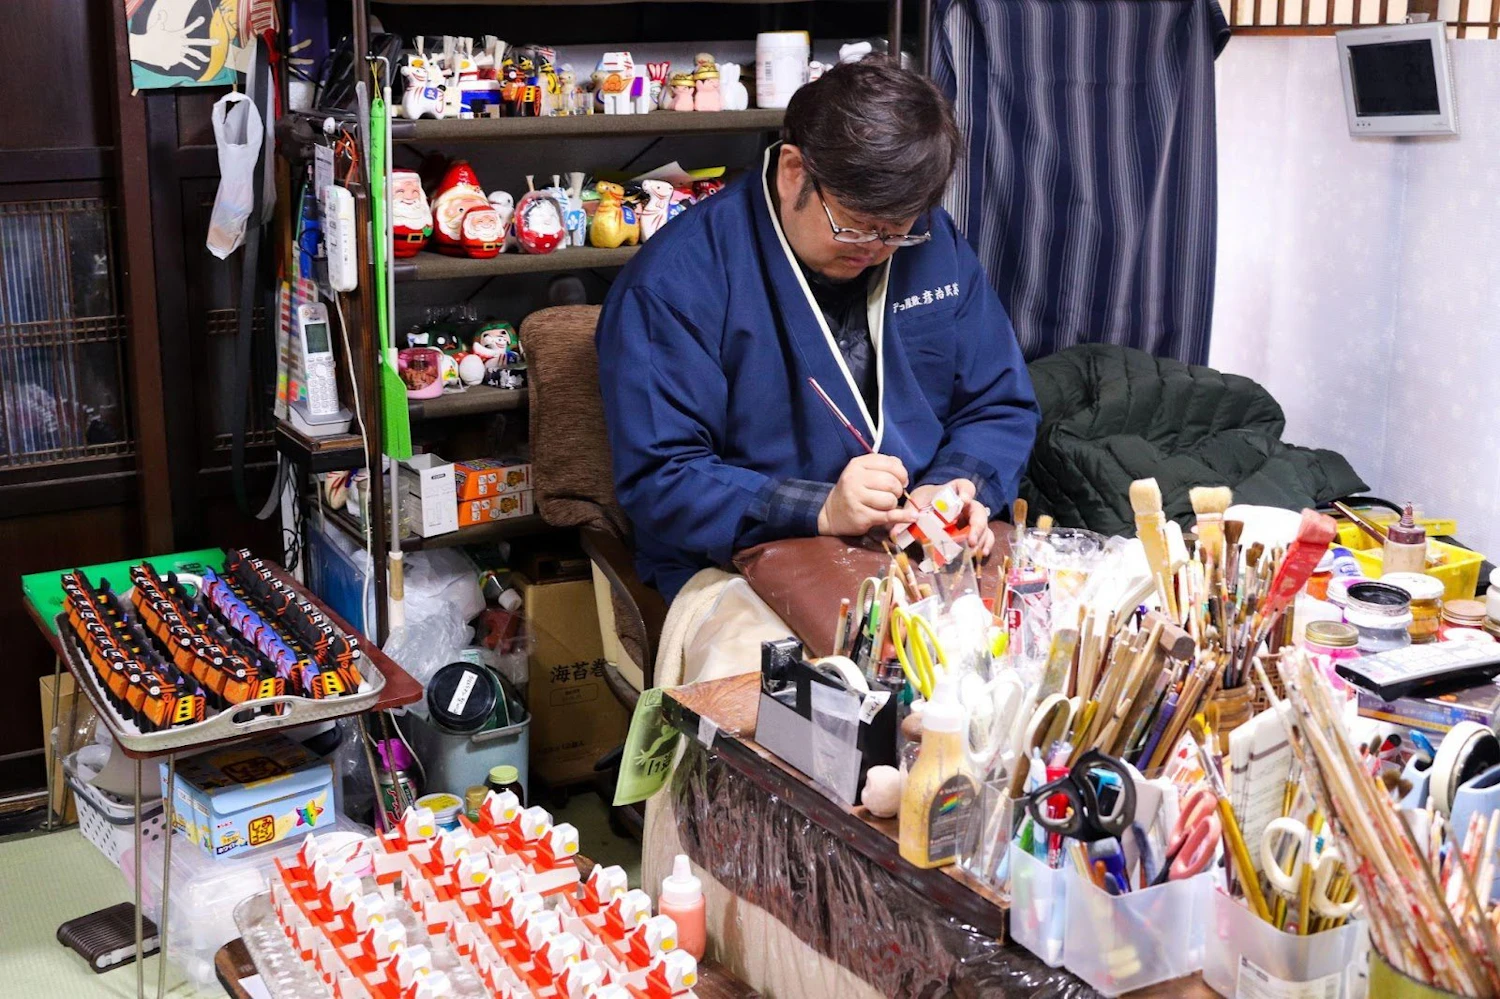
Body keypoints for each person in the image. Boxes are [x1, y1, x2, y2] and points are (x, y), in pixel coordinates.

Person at [597, 58, 1040, 601]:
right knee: (833, 680)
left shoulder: (932, 242)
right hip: (742, 560)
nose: (875, 250)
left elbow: (998, 405)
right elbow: (661, 475)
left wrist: (956, 483)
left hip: (919, 540)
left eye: (896, 232)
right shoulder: (676, 281)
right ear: (793, 171)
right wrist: (821, 508)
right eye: (854, 227)